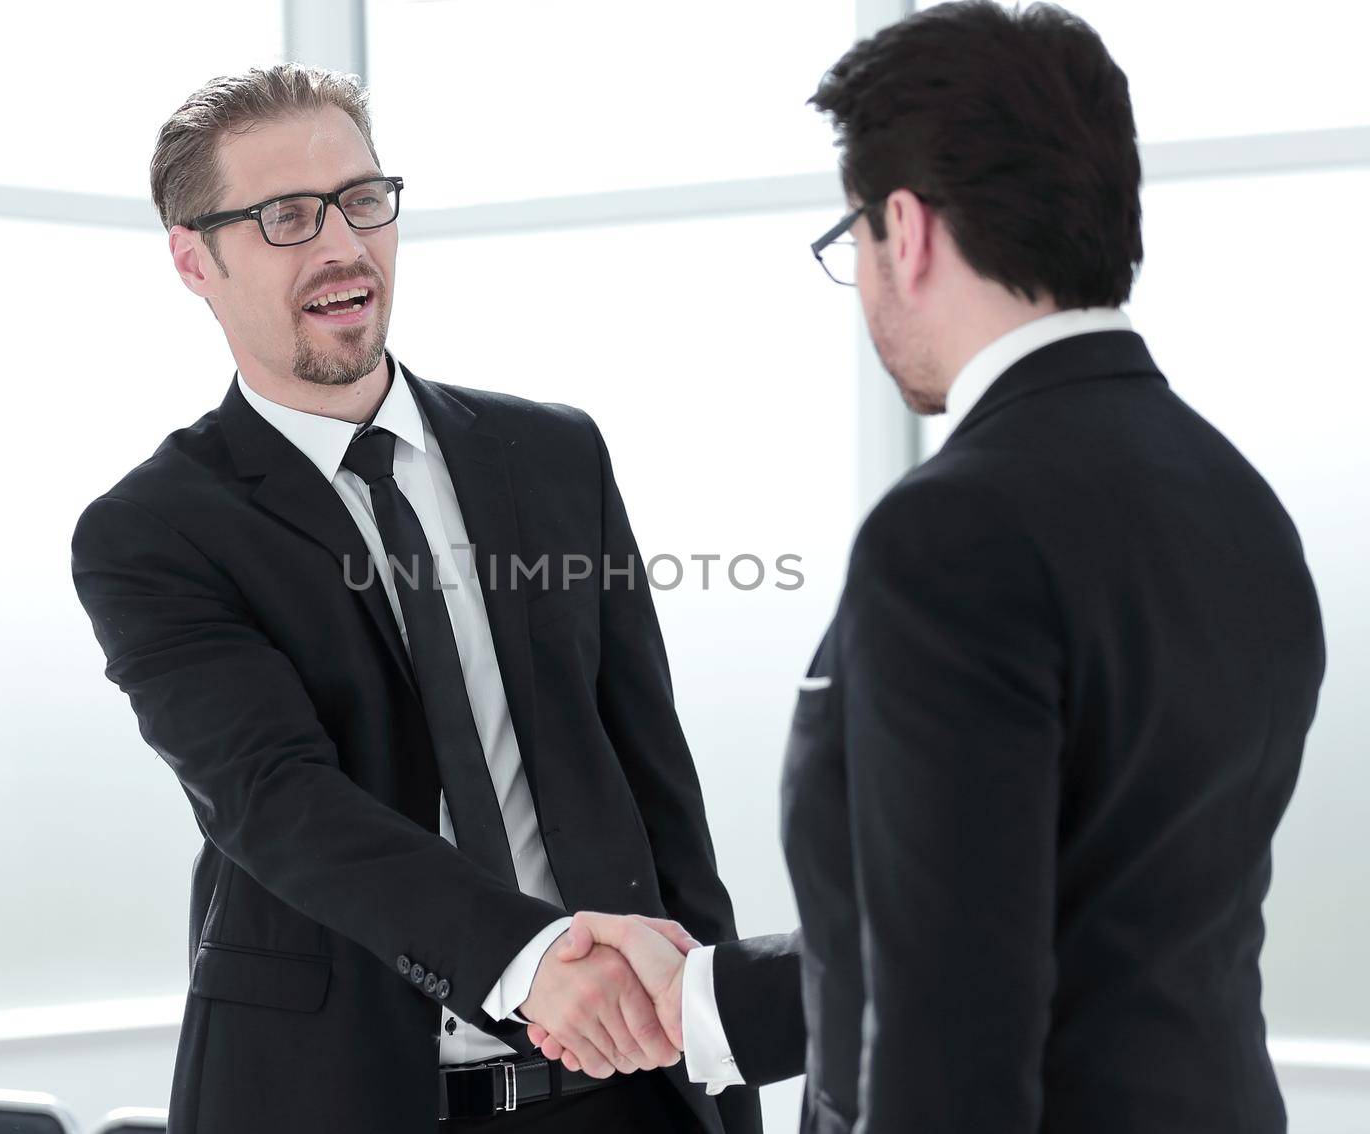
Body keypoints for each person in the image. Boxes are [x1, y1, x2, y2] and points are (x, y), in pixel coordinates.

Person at [525, 4, 1327, 1132]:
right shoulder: (1234, 497)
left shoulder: (953, 534)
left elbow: (953, 1026)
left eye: (847, 240)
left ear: (904, 229)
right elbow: (1041, 907)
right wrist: (702, 999)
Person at [69, 64, 760, 1134]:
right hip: (333, 1094)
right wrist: (527, 962)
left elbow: (652, 777)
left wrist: (724, 1059)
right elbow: (275, 801)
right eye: (286, 217)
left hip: (625, 1097)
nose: (341, 245)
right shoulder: (154, 531)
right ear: (192, 260)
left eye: (361, 201)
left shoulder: (554, 455)